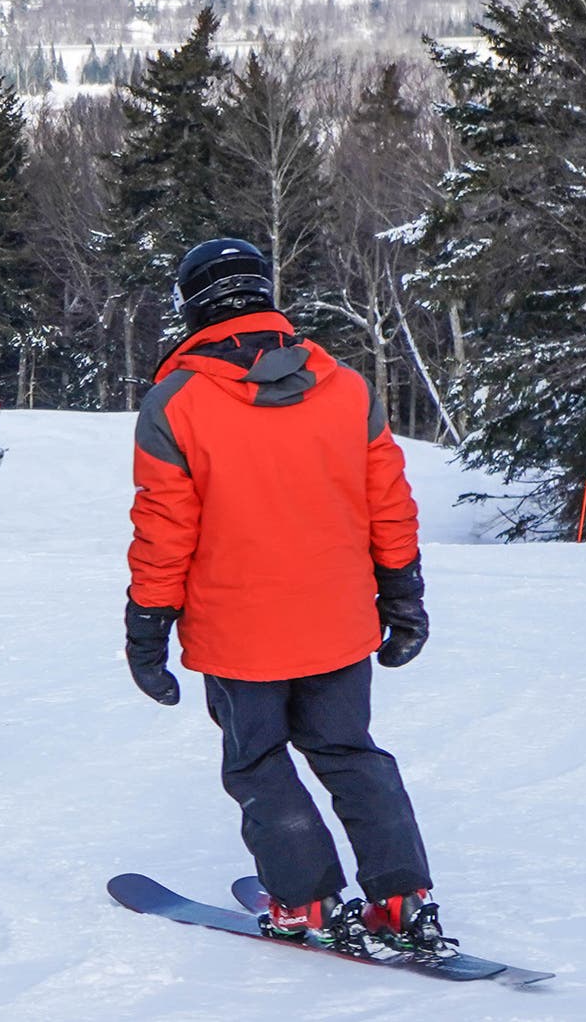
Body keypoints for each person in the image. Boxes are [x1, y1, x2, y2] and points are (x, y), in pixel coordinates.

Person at [123, 237, 443, 953]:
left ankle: (306, 900)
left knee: (258, 761)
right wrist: (403, 595)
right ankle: (401, 896)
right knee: (350, 751)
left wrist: (147, 628)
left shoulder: (174, 404)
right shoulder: (346, 388)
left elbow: (164, 531)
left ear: (192, 306)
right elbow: (389, 503)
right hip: (338, 621)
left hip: (238, 633)